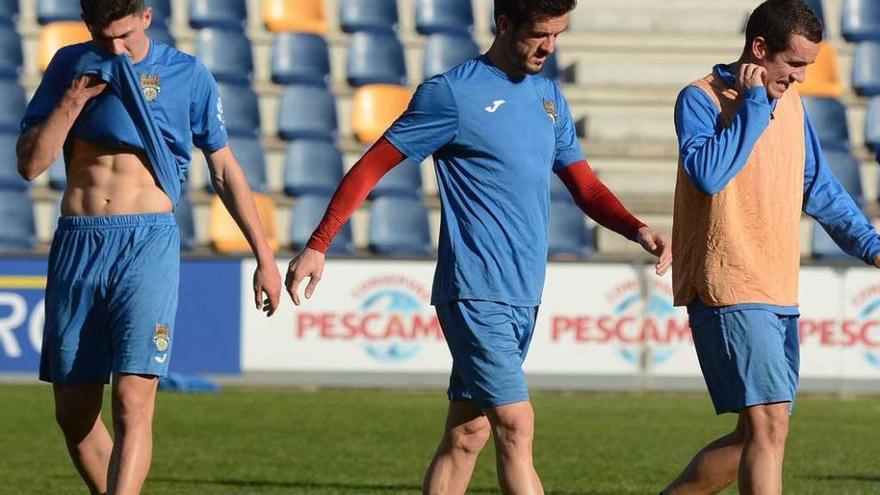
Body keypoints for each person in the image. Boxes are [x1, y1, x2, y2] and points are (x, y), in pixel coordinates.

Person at [285, 1, 671, 492]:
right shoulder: (451, 94)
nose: (550, 48)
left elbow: (586, 187)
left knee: (468, 434)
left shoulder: (549, 96)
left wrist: (637, 229)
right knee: (517, 425)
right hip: (475, 289)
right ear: (504, 25)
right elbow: (370, 167)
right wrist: (319, 244)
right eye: (540, 35)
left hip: (523, 291)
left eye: (558, 35)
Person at [16, 1, 281, 493]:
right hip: (78, 240)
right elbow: (30, 165)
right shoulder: (70, 65)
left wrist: (264, 258)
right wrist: (72, 101)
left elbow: (224, 170)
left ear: (146, 18)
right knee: (73, 414)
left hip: (146, 242)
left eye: (124, 35)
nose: (116, 48)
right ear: (88, 26)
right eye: (103, 38)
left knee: (132, 403)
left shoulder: (188, 74)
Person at [662, 1, 880, 494]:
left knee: (755, 436)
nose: (800, 77)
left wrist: (870, 245)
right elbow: (708, 175)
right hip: (729, 282)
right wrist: (755, 105)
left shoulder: (793, 104)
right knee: (769, 424)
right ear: (759, 48)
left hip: (778, 285)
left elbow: (818, 188)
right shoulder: (700, 98)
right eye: (794, 63)